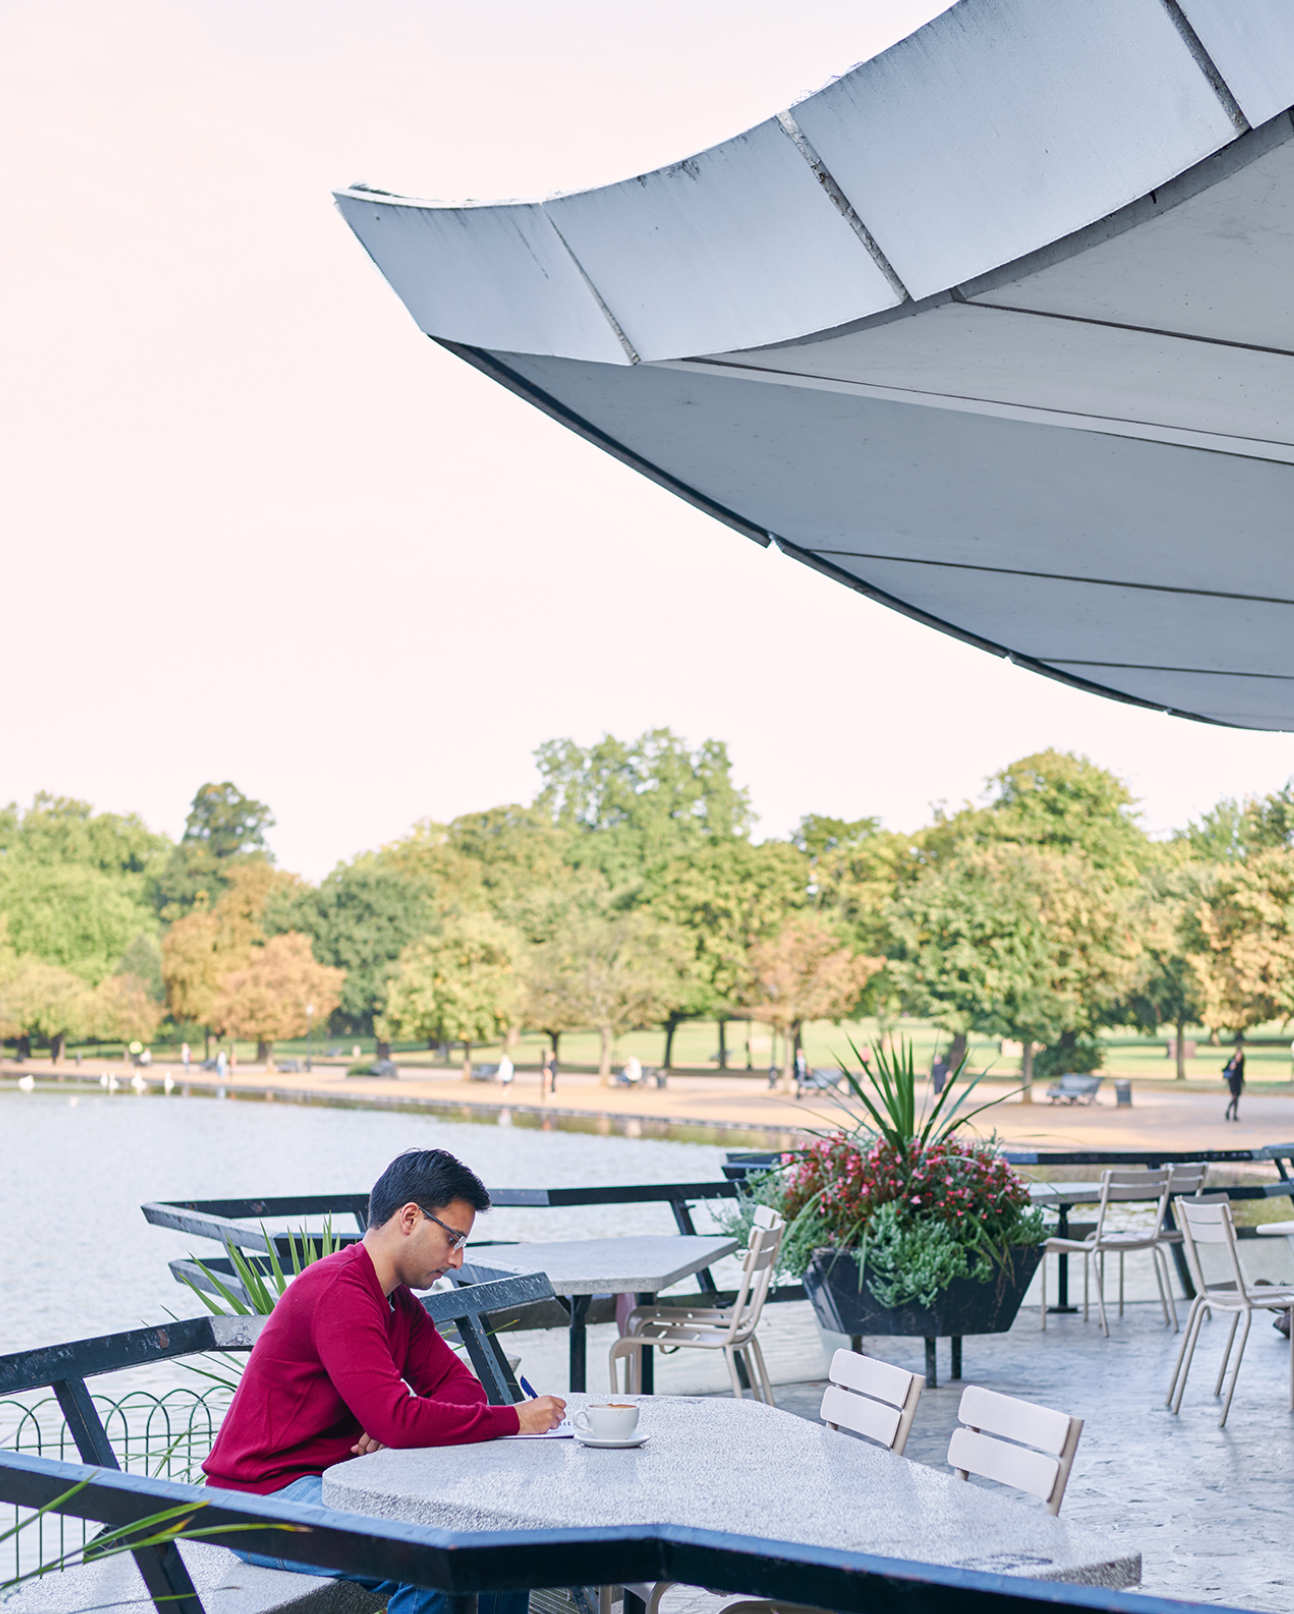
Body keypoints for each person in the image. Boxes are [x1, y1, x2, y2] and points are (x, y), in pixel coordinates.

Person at [205, 1147, 566, 1612]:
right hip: (261, 1501)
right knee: (431, 1561)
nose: (457, 1260)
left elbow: (461, 1390)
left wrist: (390, 1421)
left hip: (326, 1483)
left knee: (500, 1540)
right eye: (454, 1238)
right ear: (410, 1218)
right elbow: (401, 1419)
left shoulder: (398, 1303)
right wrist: (513, 1420)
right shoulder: (340, 1290)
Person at [1224, 1043, 1245, 1122]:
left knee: (1237, 1099)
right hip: (1232, 1082)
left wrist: (1243, 1081)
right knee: (1234, 1097)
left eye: (1240, 1055)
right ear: (1235, 1055)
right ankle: (1228, 1111)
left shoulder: (1241, 1063)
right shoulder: (1232, 1062)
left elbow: (1241, 1073)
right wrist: (1230, 1067)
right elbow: (1224, 1069)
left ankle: (1234, 1114)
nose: (1239, 1056)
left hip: (1238, 1082)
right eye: (1238, 1054)